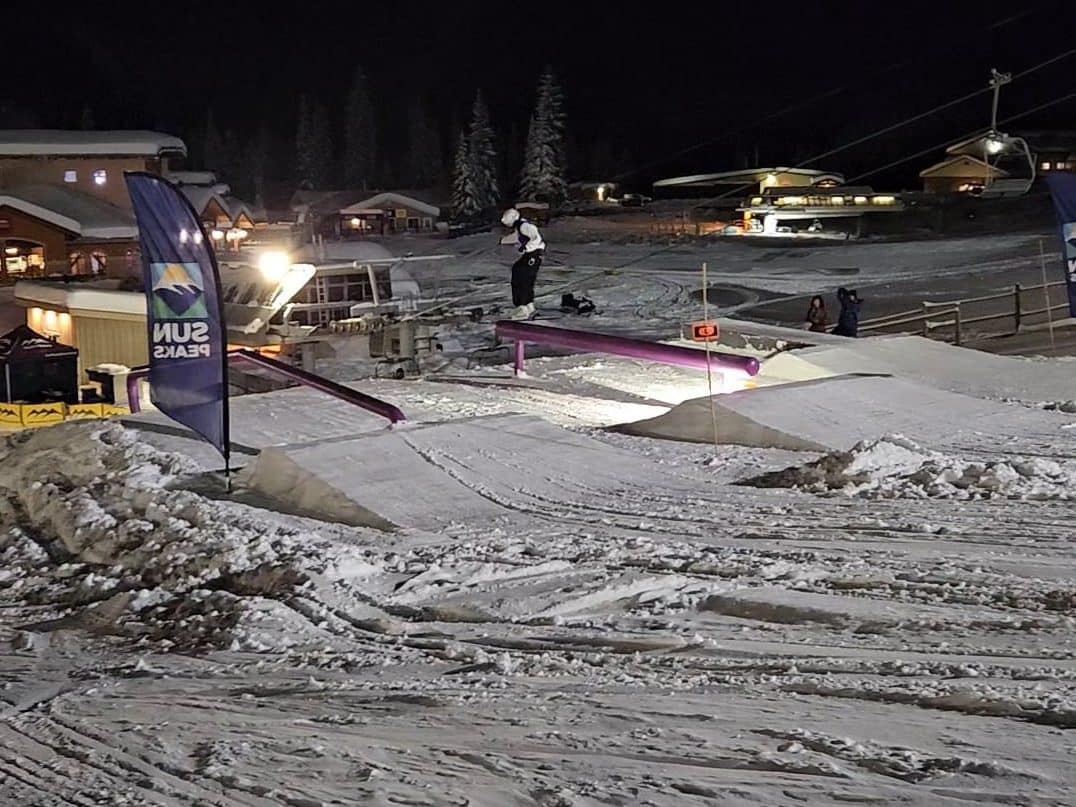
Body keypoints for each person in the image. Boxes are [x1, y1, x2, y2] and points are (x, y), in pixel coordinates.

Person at [501, 207, 545, 319]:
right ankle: (528, 305)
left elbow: (535, 237)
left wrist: (527, 247)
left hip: (533, 254)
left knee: (523, 277)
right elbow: (517, 237)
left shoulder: (524, 226)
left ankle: (523, 306)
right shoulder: (520, 227)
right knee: (518, 272)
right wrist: (503, 240)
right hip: (531, 254)